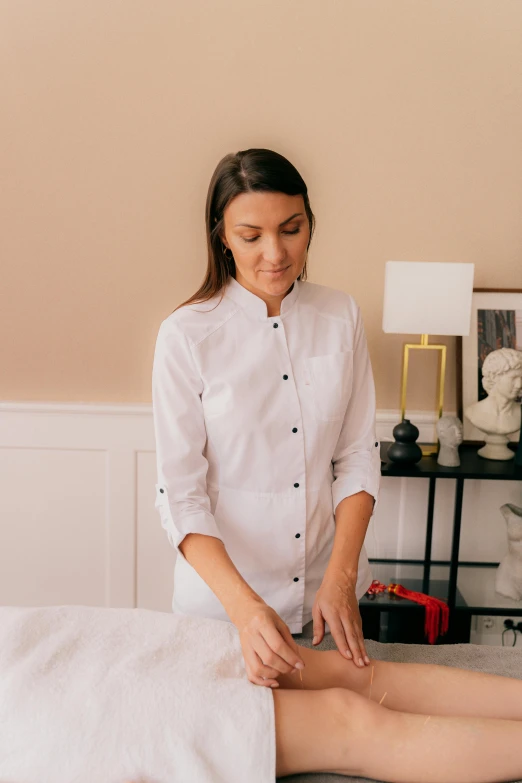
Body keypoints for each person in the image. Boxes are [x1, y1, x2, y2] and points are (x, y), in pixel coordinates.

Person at [152, 147, 382, 689]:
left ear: (310, 225)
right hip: (224, 612)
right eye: (251, 235)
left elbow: (355, 457)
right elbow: (181, 497)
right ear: (222, 236)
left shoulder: (340, 315)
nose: (275, 253)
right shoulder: (186, 335)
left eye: (291, 229)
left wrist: (341, 578)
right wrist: (247, 610)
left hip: (329, 606)